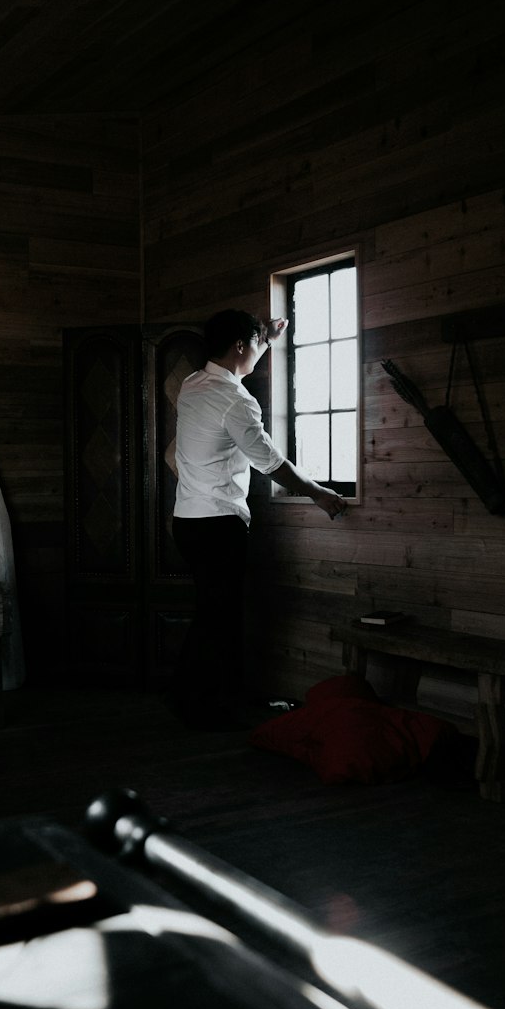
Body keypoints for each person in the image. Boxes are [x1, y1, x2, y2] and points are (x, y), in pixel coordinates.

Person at [170, 308, 346, 728]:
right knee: (220, 620)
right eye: (256, 345)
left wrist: (265, 336)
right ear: (239, 345)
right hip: (219, 526)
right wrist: (319, 493)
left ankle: (208, 701)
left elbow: (234, 370)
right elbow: (271, 463)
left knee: (213, 615)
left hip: (186, 521)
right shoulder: (236, 401)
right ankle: (195, 704)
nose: (260, 351)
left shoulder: (193, 385)